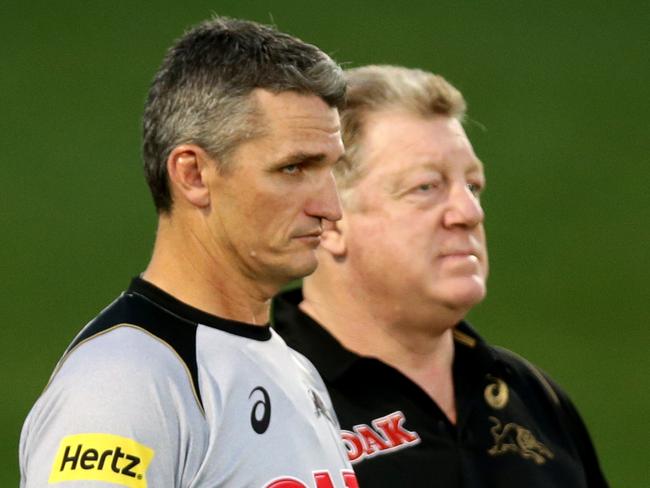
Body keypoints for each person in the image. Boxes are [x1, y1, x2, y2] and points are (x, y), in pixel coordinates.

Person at [20, 17, 360, 488]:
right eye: (293, 168)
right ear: (194, 175)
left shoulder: (295, 368)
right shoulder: (124, 385)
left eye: (329, 170)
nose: (330, 208)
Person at [273, 65, 608, 487]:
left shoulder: (533, 397)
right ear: (332, 221)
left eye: (473, 186)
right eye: (426, 187)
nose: (469, 213)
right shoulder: (254, 400)